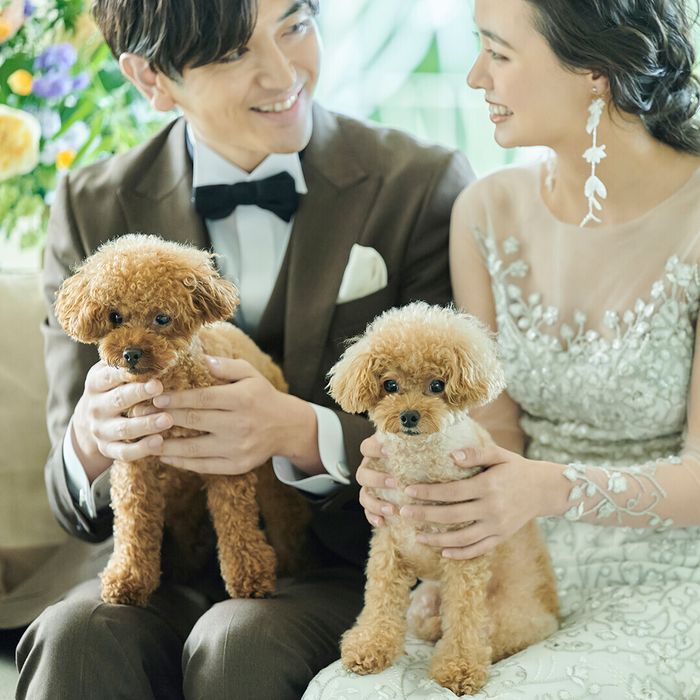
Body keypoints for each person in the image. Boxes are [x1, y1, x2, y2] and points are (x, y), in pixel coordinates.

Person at [14, 0, 475, 698]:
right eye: (234, 53)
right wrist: (89, 440)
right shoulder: (89, 202)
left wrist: (302, 432)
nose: (284, 73)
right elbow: (68, 494)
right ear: (150, 78)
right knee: (75, 636)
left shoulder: (420, 183)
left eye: (296, 25)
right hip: (154, 560)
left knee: (240, 644)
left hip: (339, 562)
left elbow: (461, 423)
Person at [304, 0, 700, 697]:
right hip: (510, 552)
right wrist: (426, 486)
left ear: (595, 71)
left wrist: (545, 488)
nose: (474, 76)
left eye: (498, 52)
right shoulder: (486, 210)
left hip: (671, 565)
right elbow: (494, 430)